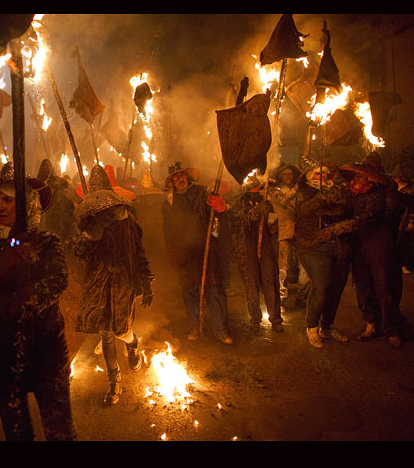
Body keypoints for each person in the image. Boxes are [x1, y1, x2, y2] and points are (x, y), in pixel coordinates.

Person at [0, 162, 76, 441]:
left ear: (25, 203)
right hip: (3, 352)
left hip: (46, 349)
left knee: (59, 429)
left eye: (8, 200)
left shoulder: (47, 241)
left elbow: (57, 281)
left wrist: (23, 304)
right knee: (17, 433)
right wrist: (9, 257)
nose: (0, 206)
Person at [73, 164, 154, 405]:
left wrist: (147, 282)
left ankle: (133, 342)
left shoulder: (128, 220)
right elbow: (78, 254)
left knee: (120, 330)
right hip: (98, 284)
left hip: (122, 282)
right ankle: (114, 383)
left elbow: (139, 252)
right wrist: (91, 236)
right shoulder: (90, 222)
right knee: (106, 334)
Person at [338, 157, 406, 348]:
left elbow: (369, 218)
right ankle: (371, 323)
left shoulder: (380, 195)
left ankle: (392, 328)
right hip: (358, 244)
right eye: (355, 176)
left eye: (361, 176)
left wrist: (345, 226)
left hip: (378, 243)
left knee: (384, 285)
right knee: (363, 285)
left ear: (371, 179)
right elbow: (344, 212)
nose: (356, 179)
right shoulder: (350, 194)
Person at [161, 161, 232, 343]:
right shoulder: (168, 203)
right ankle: (195, 326)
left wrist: (215, 231)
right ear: (171, 182)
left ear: (187, 176)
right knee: (189, 290)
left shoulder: (202, 192)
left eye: (182, 175)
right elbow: (168, 230)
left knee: (214, 290)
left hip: (206, 249)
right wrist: (172, 253)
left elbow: (216, 219)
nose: (180, 179)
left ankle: (220, 330)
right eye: (175, 177)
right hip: (185, 254)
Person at [294, 159, 352, 348]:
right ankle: (312, 328)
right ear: (310, 176)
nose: (323, 176)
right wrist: (322, 198)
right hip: (313, 247)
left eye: (326, 173)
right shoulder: (303, 193)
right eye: (319, 173)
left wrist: (337, 197)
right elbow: (303, 211)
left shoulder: (336, 189)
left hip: (338, 245)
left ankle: (326, 327)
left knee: (335, 290)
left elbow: (345, 210)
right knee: (322, 288)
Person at [230, 170, 283, 332]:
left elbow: (273, 228)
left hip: (266, 245)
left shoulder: (266, 200)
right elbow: (242, 223)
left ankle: (275, 319)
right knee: (251, 285)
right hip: (245, 247)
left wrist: (271, 221)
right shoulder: (239, 202)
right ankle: (255, 318)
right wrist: (257, 211)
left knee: (270, 282)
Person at [267, 162, 310, 308]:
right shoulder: (274, 191)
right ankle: (282, 296)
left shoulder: (298, 191)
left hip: (299, 231)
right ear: (280, 176)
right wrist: (297, 189)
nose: (288, 177)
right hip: (282, 231)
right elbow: (283, 201)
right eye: (285, 174)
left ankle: (302, 296)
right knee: (283, 266)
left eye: (290, 174)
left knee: (303, 265)